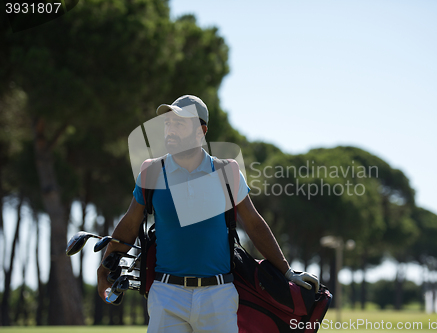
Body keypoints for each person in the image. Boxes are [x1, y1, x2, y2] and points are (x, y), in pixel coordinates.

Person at [97, 95, 319, 333]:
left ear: (200, 131)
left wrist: (287, 272)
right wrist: (104, 268)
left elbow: (254, 224)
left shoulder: (227, 171)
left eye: (179, 124)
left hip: (219, 295)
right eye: (168, 123)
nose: (170, 129)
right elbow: (130, 224)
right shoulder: (152, 171)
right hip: (166, 293)